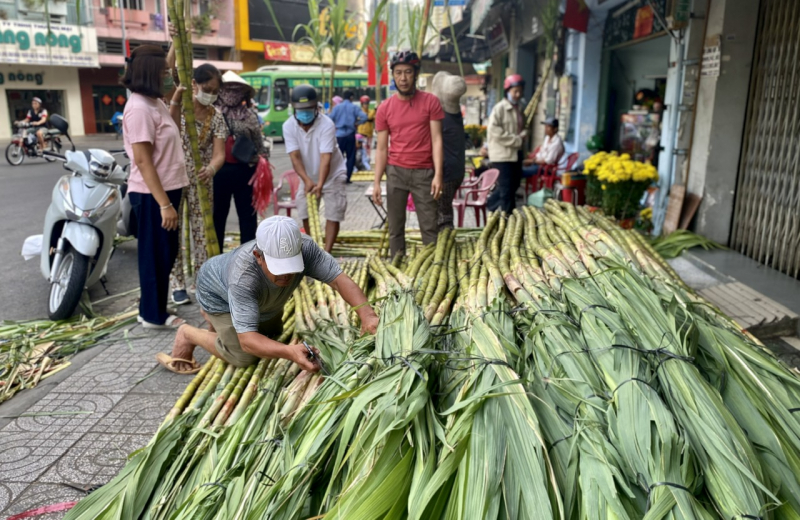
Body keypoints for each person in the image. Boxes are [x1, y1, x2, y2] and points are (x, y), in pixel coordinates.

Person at [158, 216, 380, 373]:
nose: (287, 275)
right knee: (245, 356)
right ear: (258, 256)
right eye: (279, 267)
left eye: (291, 266)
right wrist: (290, 352)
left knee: (272, 336)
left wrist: (367, 315)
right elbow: (247, 342)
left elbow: (339, 280)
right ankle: (188, 333)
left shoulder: (306, 248)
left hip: (261, 298)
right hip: (217, 294)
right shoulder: (243, 276)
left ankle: (220, 325)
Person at [122, 44, 189, 329]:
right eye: (163, 73)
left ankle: (153, 307)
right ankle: (152, 315)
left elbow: (171, 129)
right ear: (151, 75)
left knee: (165, 253)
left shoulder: (155, 101)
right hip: (152, 194)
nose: (168, 76)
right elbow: (142, 160)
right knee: (154, 255)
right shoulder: (138, 108)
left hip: (167, 188)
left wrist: (174, 43)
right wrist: (164, 204)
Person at [372, 50, 444, 257]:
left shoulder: (431, 102)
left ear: (416, 74)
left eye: (408, 72)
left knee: (430, 227)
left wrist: (438, 174)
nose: (403, 78)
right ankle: (397, 268)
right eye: (398, 73)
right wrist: (377, 181)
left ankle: (432, 267)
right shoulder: (384, 109)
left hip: (424, 173)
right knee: (395, 228)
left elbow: (437, 140)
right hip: (395, 173)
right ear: (393, 75)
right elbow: (382, 148)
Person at [166, 63, 226, 305]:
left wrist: (211, 168)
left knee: (203, 233)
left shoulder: (217, 116)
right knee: (175, 230)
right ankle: (177, 283)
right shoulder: (180, 105)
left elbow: (220, 153)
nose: (210, 94)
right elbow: (169, 131)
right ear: (195, 84)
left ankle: (201, 281)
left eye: (215, 90)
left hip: (202, 180)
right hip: (174, 177)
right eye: (207, 88)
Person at [283, 85, 348, 253]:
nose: (305, 113)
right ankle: (314, 251)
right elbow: (295, 156)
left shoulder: (327, 124)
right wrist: (307, 180)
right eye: (300, 110)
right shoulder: (288, 126)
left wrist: (319, 183)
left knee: (333, 213)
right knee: (304, 211)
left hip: (332, 173)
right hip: (308, 175)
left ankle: (326, 253)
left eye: (308, 109)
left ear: (316, 107)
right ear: (294, 109)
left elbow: (325, 158)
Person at [213, 71, 269, 250]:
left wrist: (263, 166)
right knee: (217, 217)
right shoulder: (211, 113)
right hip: (217, 171)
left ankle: (248, 258)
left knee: (247, 218)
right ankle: (216, 259)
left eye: (236, 90)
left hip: (245, 172)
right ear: (220, 91)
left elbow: (259, 144)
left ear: (243, 94)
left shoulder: (250, 116)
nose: (231, 94)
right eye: (227, 89)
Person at [430, 71, 467, 230]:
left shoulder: (442, 119)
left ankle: (446, 246)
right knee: (443, 211)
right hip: (456, 171)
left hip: (447, 173)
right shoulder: (456, 114)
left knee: (443, 216)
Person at [486, 74, 527, 214]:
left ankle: (490, 204)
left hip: (516, 154)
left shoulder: (520, 109)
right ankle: (507, 220)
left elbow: (523, 127)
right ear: (507, 91)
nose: (518, 94)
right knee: (506, 190)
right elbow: (494, 131)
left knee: (514, 185)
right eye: (515, 91)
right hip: (502, 156)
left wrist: (524, 134)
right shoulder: (499, 108)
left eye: (520, 91)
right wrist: (516, 140)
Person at [329, 90, 367, 182]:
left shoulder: (337, 108)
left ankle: (337, 177)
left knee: (338, 157)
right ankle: (347, 178)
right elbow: (364, 117)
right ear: (351, 98)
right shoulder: (354, 107)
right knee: (350, 157)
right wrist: (357, 123)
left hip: (339, 135)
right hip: (350, 135)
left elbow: (329, 119)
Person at [357, 95, 376, 170]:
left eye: (367, 103)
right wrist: (374, 110)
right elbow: (368, 117)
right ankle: (362, 164)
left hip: (369, 134)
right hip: (362, 134)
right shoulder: (360, 112)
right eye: (365, 103)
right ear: (362, 104)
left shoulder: (370, 111)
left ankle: (366, 163)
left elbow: (373, 118)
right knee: (363, 151)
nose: (366, 105)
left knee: (368, 150)